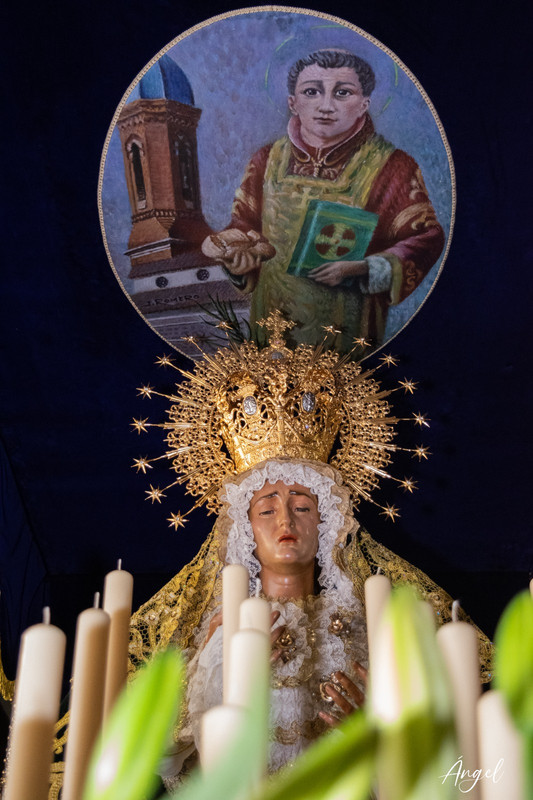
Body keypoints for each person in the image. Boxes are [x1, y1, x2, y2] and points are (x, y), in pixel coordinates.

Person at [202, 49, 445, 354]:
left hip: (347, 329)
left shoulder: (393, 166)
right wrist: (238, 261)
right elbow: (244, 226)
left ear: (364, 104)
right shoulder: (266, 160)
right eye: (312, 91)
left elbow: (426, 238)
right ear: (293, 102)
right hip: (272, 323)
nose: (326, 106)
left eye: (342, 93)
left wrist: (363, 268)